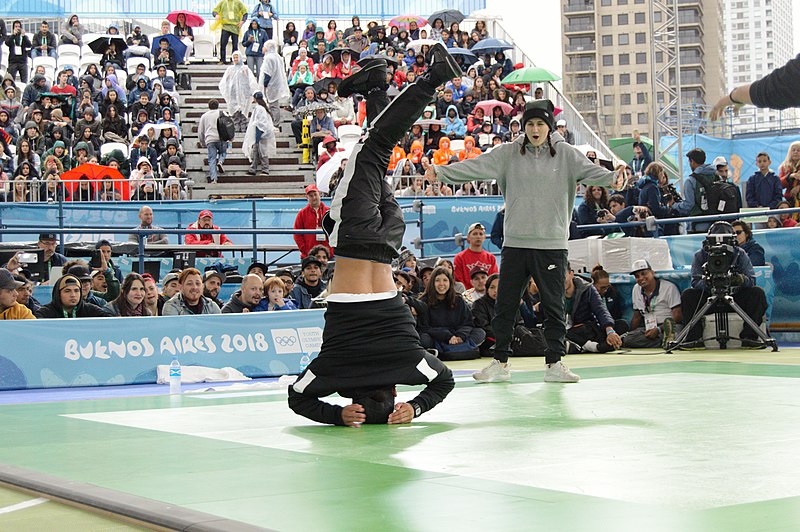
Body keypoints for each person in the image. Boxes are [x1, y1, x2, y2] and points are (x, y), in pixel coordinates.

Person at [288, 46, 458, 425]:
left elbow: (444, 382)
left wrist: (416, 408)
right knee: (374, 147)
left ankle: (377, 84)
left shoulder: (408, 363)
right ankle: (434, 78)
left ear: (394, 394)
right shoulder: (335, 369)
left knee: (378, 168)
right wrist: (337, 414)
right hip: (355, 235)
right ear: (355, 401)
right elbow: (297, 398)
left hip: (389, 244)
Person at [427, 99, 625, 383]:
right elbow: (476, 166)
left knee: (554, 306)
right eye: (530, 124)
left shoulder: (567, 155)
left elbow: (597, 174)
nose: (535, 129)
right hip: (516, 243)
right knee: (505, 305)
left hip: (552, 244)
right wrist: (442, 172)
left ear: (549, 127)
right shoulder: (508, 154)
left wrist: (614, 180)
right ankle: (500, 362)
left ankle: (554, 363)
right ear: (523, 126)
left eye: (540, 124)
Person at [679, 222, 768, 348]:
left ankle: (749, 337)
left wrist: (739, 279)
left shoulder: (740, 253)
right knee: (688, 295)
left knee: (757, 293)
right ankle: (693, 337)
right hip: (710, 297)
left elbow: (751, 280)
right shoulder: (700, 255)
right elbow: (695, 281)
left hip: (736, 297)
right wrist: (708, 282)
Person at [418, 266, 486, 360]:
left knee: (480, 333)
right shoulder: (424, 301)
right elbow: (424, 327)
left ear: (450, 282)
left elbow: (468, 323)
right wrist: (447, 336)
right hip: (438, 337)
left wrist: (460, 336)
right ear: (432, 283)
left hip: (458, 336)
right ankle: (464, 349)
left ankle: (452, 349)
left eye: (445, 280)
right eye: (438, 280)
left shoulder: (458, 300)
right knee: (424, 339)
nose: (441, 284)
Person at [710, 53, 800, 119]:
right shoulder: (789, 82)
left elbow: (759, 92)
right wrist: (735, 98)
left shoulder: (790, 82)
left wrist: (734, 98)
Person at [620, 260, 681, 349]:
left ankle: (668, 341)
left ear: (652, 272)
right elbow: (637, 316)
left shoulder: (668, 287)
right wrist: (631, 333)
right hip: (648, 327)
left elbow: (678, 316)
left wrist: (659, 329)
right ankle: (666, 342)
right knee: (628, 338)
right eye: (637, 276)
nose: (641, 278)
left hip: (668, 327)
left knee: (677, 333)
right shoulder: (636, 289)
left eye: (644, 273)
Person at [563, 265, 624, 354]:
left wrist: (610, 331)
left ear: (571, 274)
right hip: (568, 332)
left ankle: (578, 346)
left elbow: (600, 309)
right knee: (557, 333)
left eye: (563, 276)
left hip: (586, 329)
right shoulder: (552, 293)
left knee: (622, 325)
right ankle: (594, 347)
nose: (560, 281)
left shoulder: (587, 288)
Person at [671, 148, 717, 232]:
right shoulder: (716, 175)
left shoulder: (691, 180)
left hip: (698, 224)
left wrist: (674, 205)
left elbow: (689, 205)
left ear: (692, 161)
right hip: (717, 223)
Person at [219, 50, 259, 133]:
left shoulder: (245, 69)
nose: (236, 59)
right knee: (234, 112)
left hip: (244, 93)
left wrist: (252, 92)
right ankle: (236, 127)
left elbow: (251, 81)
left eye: (237, 57)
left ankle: (244, 127)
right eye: (234, 57)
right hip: (232, 93)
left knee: (244, 111)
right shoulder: (230, 69)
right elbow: (224, 82)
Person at [35, 274, 107, 318]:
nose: (73, 295)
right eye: (67, 291)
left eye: (76, 291)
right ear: (58, 294)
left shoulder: (91, 310)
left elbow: (112, 322)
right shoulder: (45, 313)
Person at [452, 222, 498, 289]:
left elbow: (494, 279)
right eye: (475, 234)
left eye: (481, 234)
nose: (478, 236)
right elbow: (459, 281)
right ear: (468, 237)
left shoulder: (491, 258)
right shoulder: (459, 258)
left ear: (484, 237)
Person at [293, 184, 332, 258]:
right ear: (307, 197)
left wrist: (331, 249)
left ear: (319, 194)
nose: (314, 197)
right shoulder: (302, 213)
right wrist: (306, 250)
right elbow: (297, 234)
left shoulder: (329, 212)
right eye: (311, 196)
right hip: (309, 255)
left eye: (315, 194)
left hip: (328, 255)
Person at [243, 91, 276, 175]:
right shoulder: (263, 108)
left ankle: (264, 168)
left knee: (261, 151)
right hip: (263, 133)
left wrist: (257, 137)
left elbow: (259, 123)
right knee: (258, 151)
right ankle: (253, 168)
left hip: (260, 133)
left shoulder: (259, 108)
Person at [257, 40, 290, 125]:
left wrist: (265, 84)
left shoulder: (269, 58)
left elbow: (267, 72)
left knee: (273, 105)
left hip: (271, 84)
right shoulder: (277, 56)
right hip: (276, 83)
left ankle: (275, 122)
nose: (262, 48)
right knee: (274, 104)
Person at [198, 100, 227, 184]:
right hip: (221, 138)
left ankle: (214, 179)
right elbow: (229, 125)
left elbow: (201, 131)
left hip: (210, 139)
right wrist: (230, 138)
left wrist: (202, 142)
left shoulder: (204, 116)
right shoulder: (222, 113)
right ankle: (221, 161)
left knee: (211, 159)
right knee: (223, 152)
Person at [212, 0, 249, 64]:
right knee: (223, 44)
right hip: (225, 26)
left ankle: (234, 60)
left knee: (235, 45)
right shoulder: (222, 2)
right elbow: (214, 11)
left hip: (235, 27)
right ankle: (222, 60)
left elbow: (245, 13)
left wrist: (242, 21)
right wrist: (216, 15)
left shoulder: (238, 2)